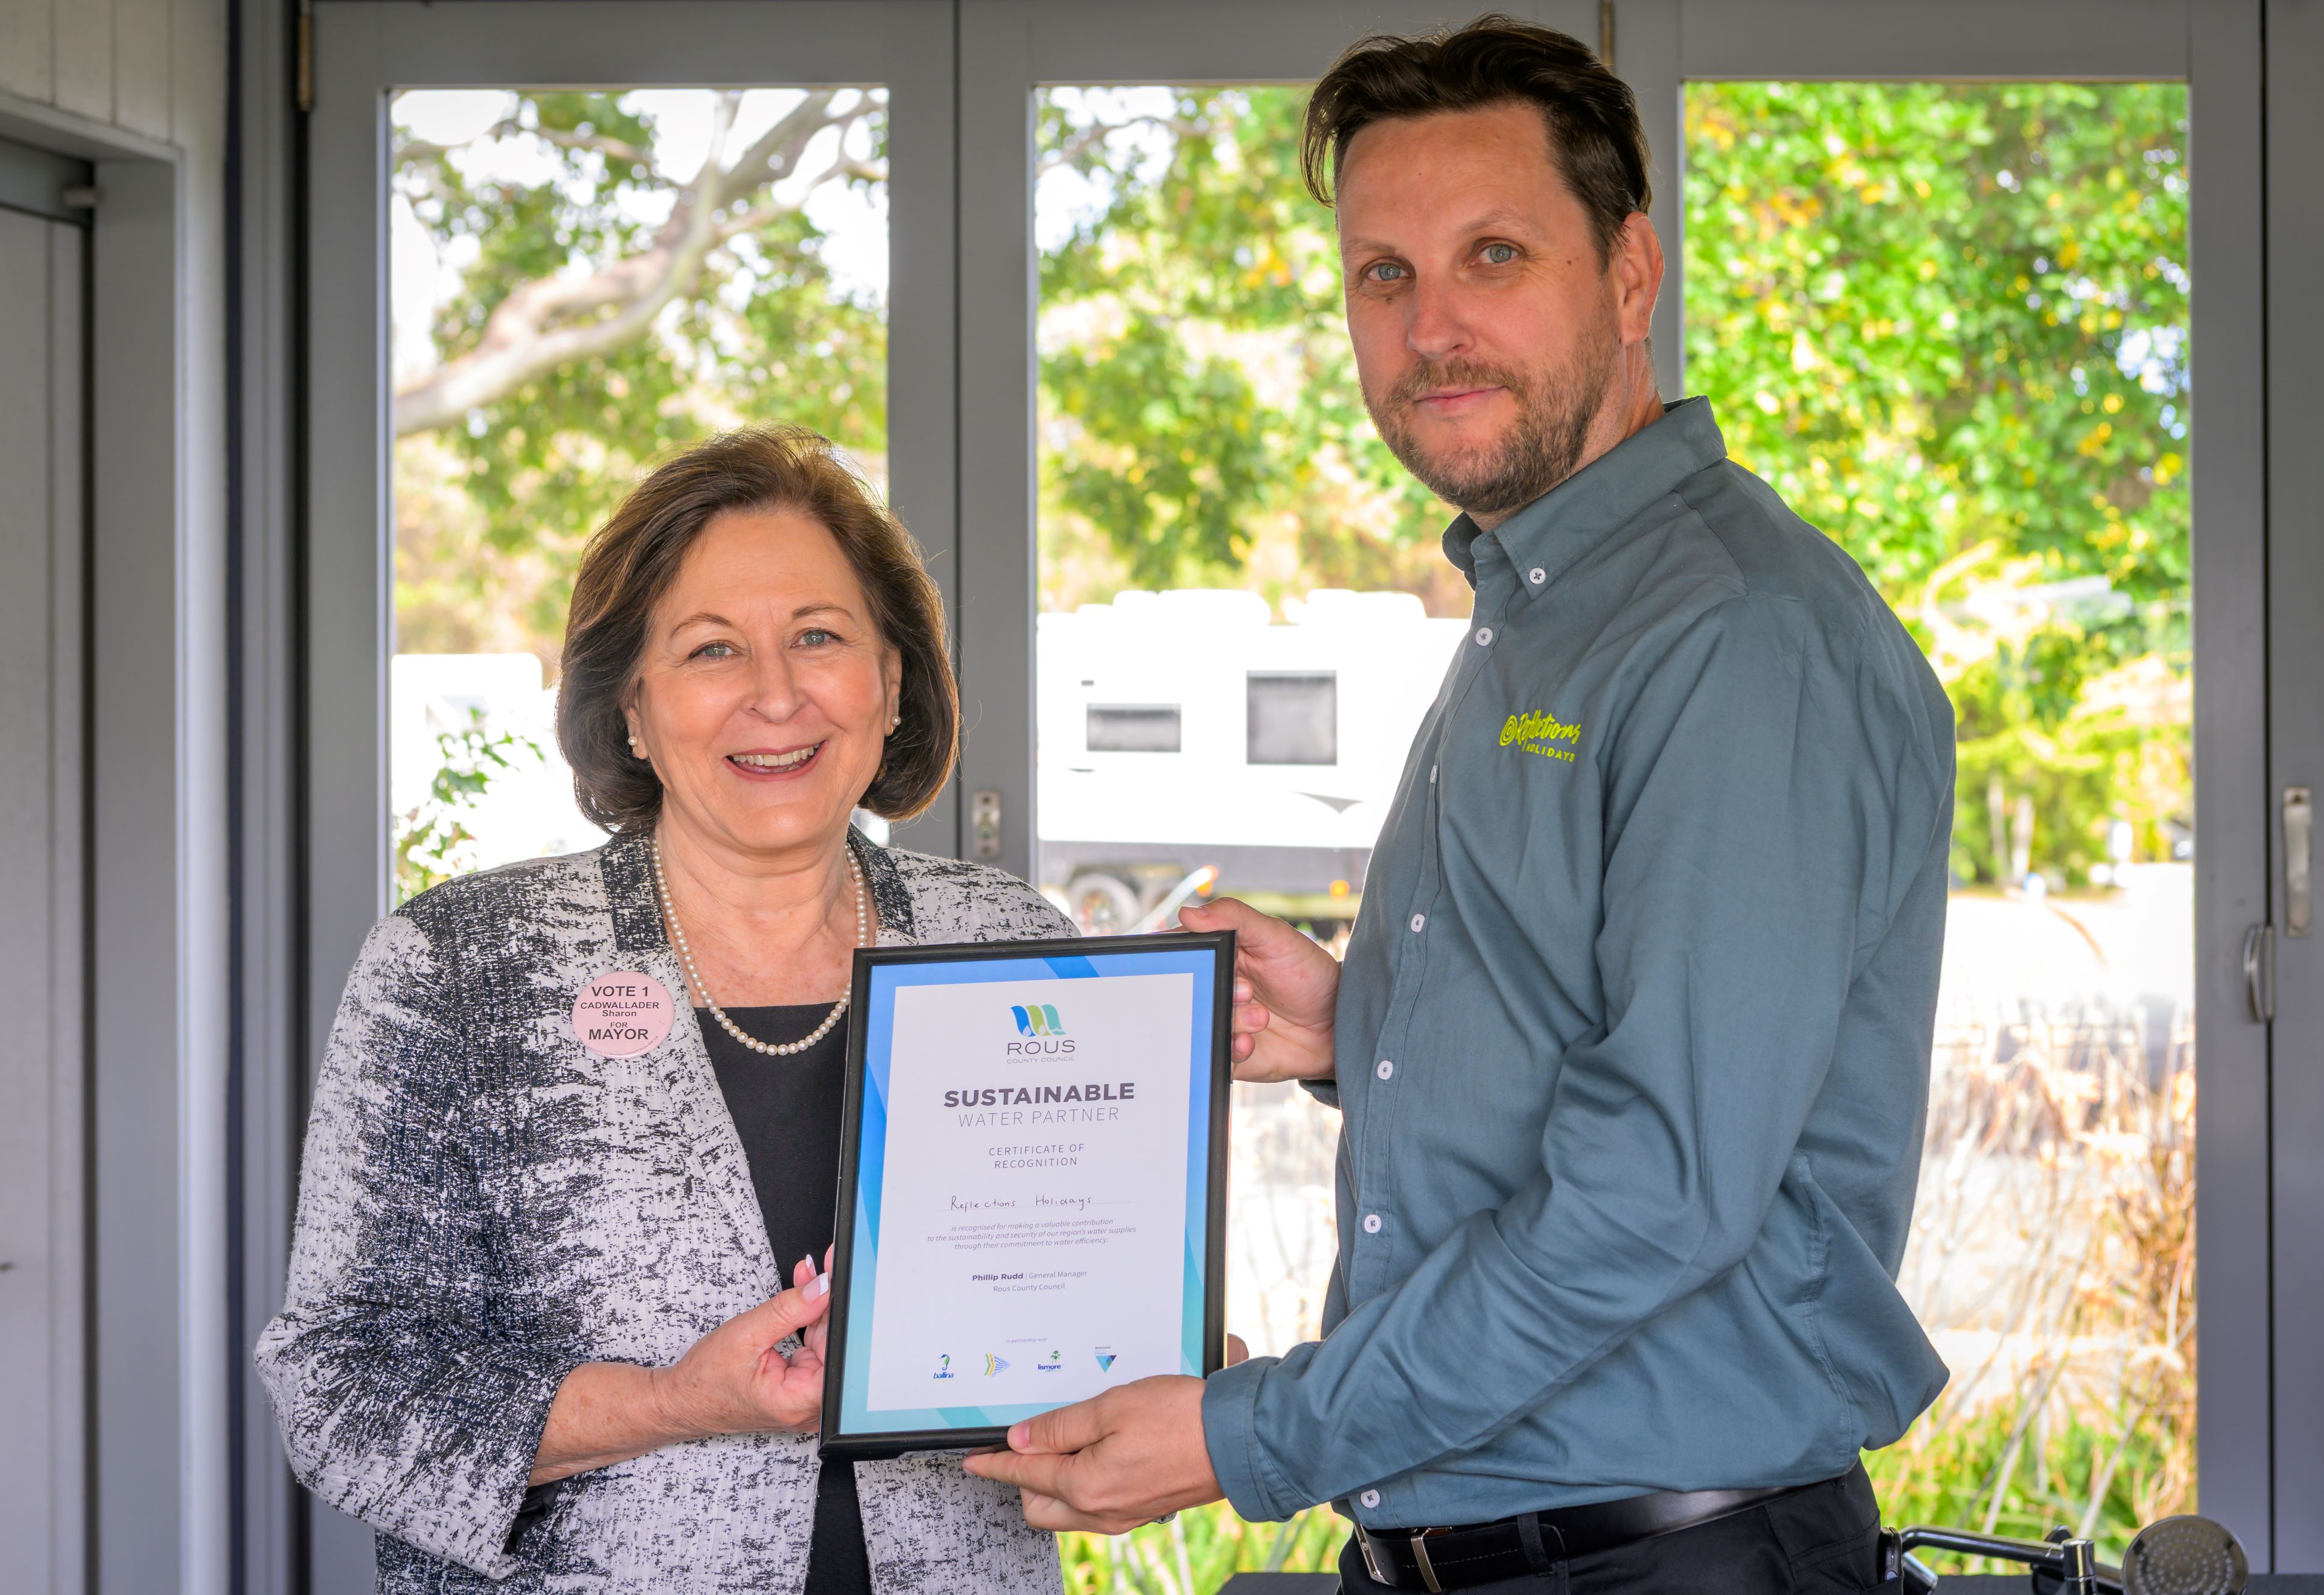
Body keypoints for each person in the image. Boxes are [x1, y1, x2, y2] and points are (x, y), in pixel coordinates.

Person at [965, 17, 1956, 1593]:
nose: (1434, 328)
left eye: (1494, 254)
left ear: (1632, 273)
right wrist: (1356, 1028)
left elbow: (1657, 1194)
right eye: (1384, 275)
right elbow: (1622, 1058)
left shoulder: (1735, 634)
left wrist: (1244, 1434)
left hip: (1665, 1562)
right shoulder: (1533, 603)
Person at [257, 425, 1073, 1594]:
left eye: (818, 636)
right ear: (632, 708)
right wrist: (665, 1403)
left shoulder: (1015, 947)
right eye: (709, 650)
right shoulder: (461, 968)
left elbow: (1066, 1304)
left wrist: (1152, 1369)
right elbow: (343, 1384)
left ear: (892, 681)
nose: (776, 692)